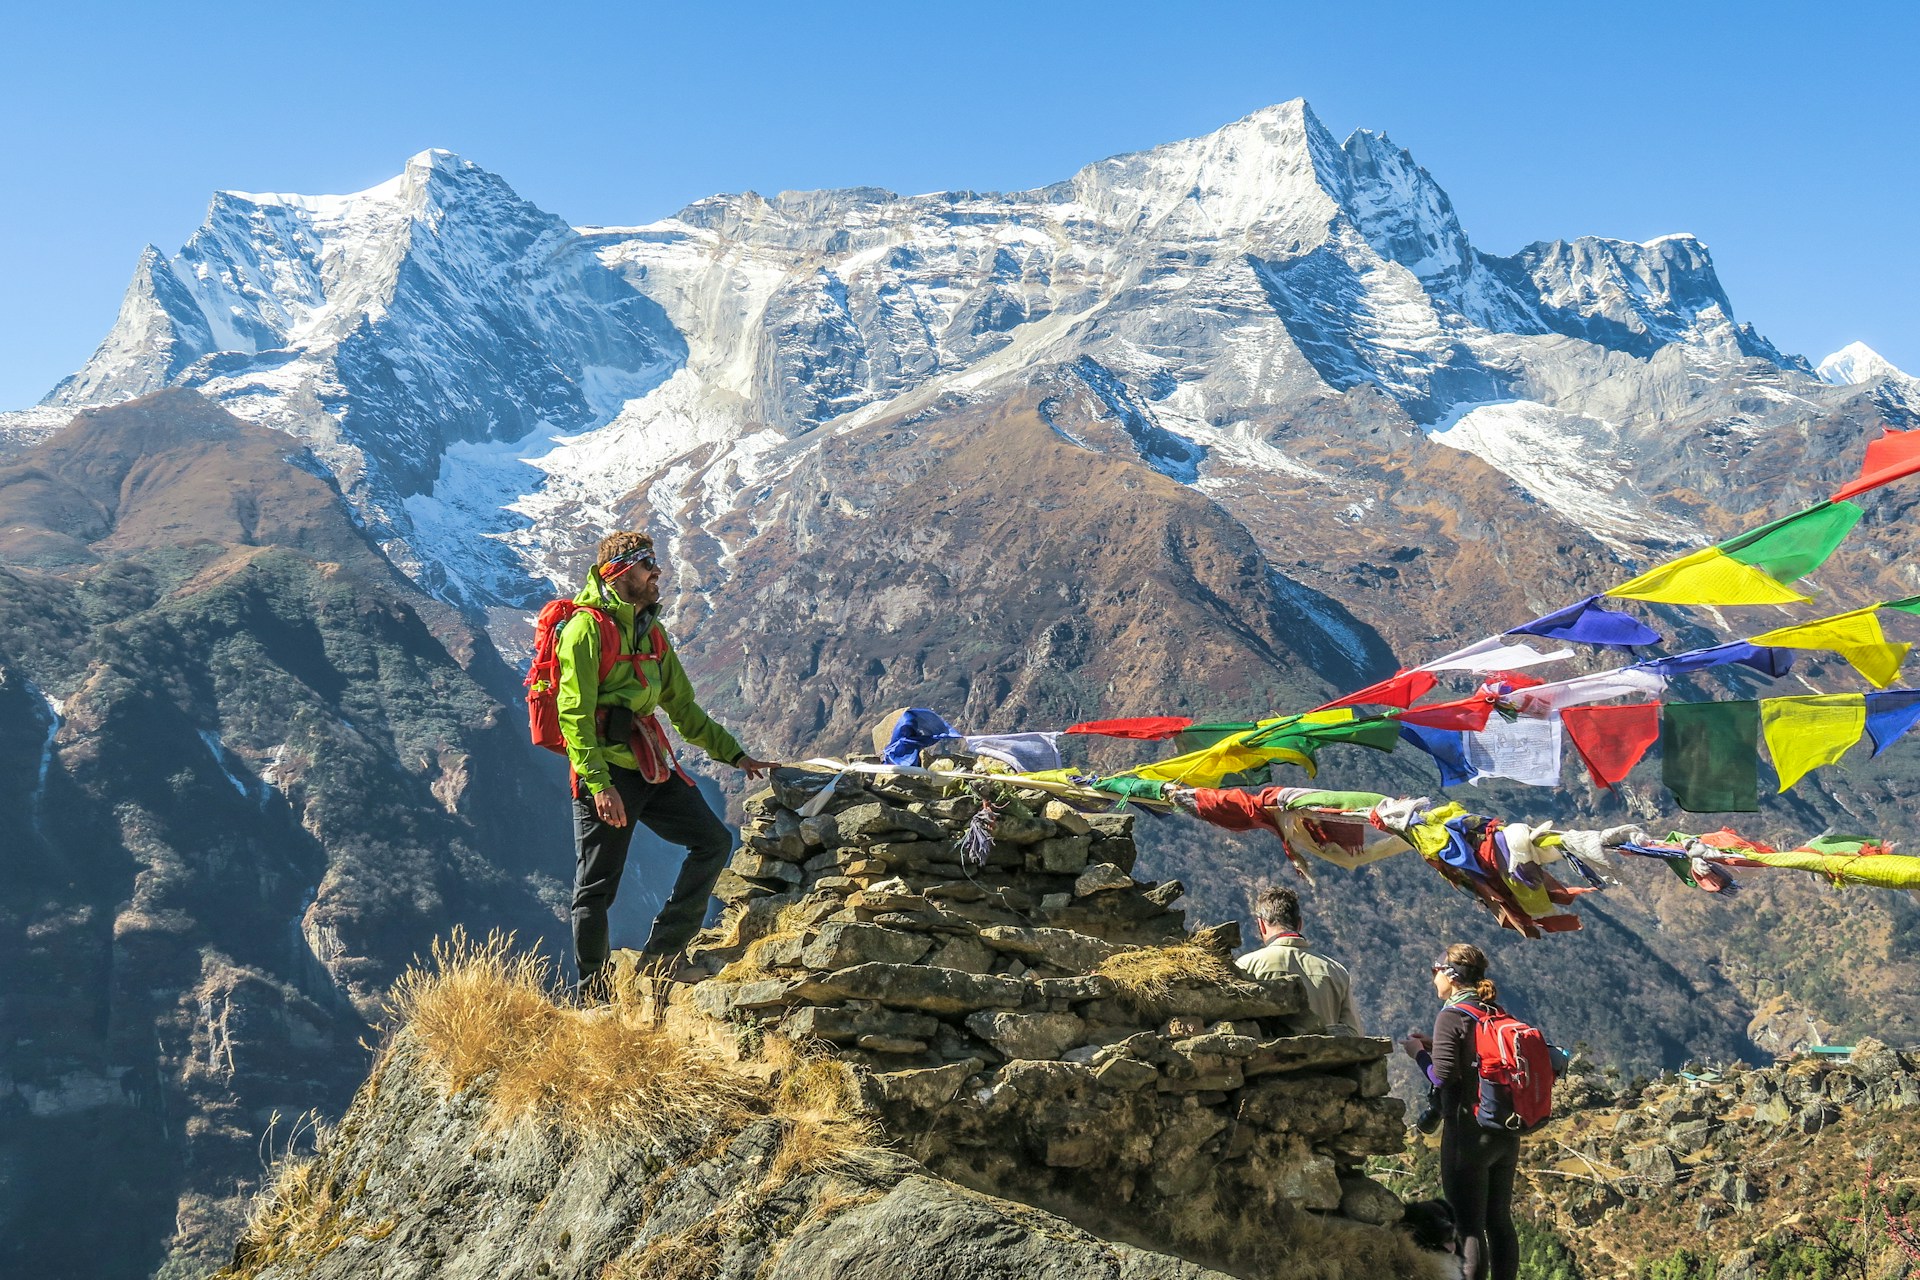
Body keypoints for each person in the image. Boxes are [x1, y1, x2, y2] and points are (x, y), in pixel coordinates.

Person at [556, 531, 774, 997]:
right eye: (645, 567)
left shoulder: (652, 632)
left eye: (654, 565)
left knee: (713, 841)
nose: (657, 574)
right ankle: (593, 995)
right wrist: (598, 785)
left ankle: (661, 955)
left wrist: (734, 754)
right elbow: (573, 714)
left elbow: (684, 709)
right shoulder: (585, 630)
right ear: (619, 574)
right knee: (596, 888)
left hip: (649, 766)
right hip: (608, 773)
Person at [1400, 944, 1519, 1280]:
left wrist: (1417, 1054)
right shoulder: (1492, 1011)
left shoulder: (1451, 1015)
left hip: (1467, 1131)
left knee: (1468, 1226)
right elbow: (1472, 1060)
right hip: (1504, 1129)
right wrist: (1437, 1047)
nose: (1432, 977)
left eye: (1435, 970)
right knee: (1499, 1220)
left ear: (1450, 975)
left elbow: (1442, 1075)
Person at [1234, 884, 1362, 1034]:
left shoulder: (1246, 966)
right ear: (1299, 924)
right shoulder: (1336, 972)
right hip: (1327, 1056)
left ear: (1261, 925)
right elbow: (1354, 1033)